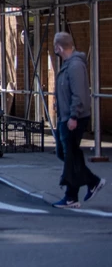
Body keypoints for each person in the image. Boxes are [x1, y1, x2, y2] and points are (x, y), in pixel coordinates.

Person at [52, 32, 105, 209]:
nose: (54, 50)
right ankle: (90, 183)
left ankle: (72, 195)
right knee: (67, 154)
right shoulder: (69, 65)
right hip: (65, 116)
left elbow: (79, 94)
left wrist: (74, 115)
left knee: (70, 155)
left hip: (73, 118)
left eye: (55, 46)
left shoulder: (74, 66)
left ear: (59, 47)